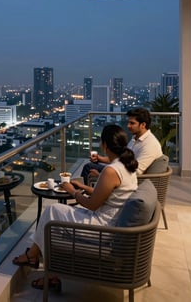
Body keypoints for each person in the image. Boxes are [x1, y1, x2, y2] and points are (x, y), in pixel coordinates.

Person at [12, 124, 138, 290]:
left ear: (105, 145)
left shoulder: (112, 171)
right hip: (111, 223)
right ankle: (36, 258)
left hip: (103, 229)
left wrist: (73, 192)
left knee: (52, 212)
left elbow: (93, 205)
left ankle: (39, 263)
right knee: (53, 215)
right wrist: (84, 188)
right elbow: (110, 196)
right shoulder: (127, 166)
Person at [79, 107, 162, 185]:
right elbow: (121, 158)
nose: (128, 126)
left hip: (129, 179)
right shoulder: (135, 139)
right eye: (128, 122)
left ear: (143, 125)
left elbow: (136, 171)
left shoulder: (150, 145)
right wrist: (99, 158)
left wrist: (102, 176)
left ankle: (89, 195)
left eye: (132, 123)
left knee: (89, 168)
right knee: (89, 166)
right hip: (121, 170)